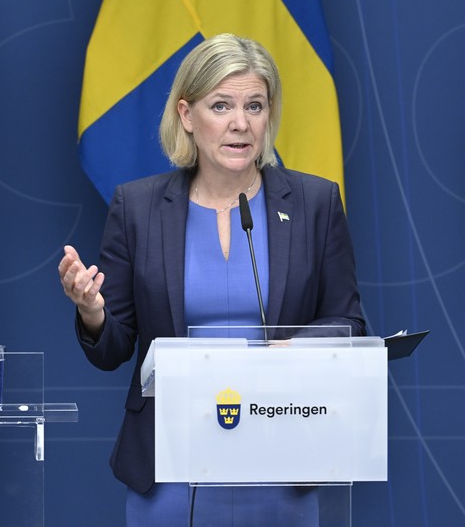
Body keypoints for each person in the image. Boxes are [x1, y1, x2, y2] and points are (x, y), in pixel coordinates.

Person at [58, 33, 365, 526]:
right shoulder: (137, 208)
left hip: (280, 455)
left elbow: (349, 324)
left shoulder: (315, 204)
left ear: (269, 116)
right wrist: (92, 312)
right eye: (221, 106)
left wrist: (295, 347)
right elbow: (113, 348)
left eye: (254, 106)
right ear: (186, 115)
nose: (240, 123)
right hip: (170, 465)